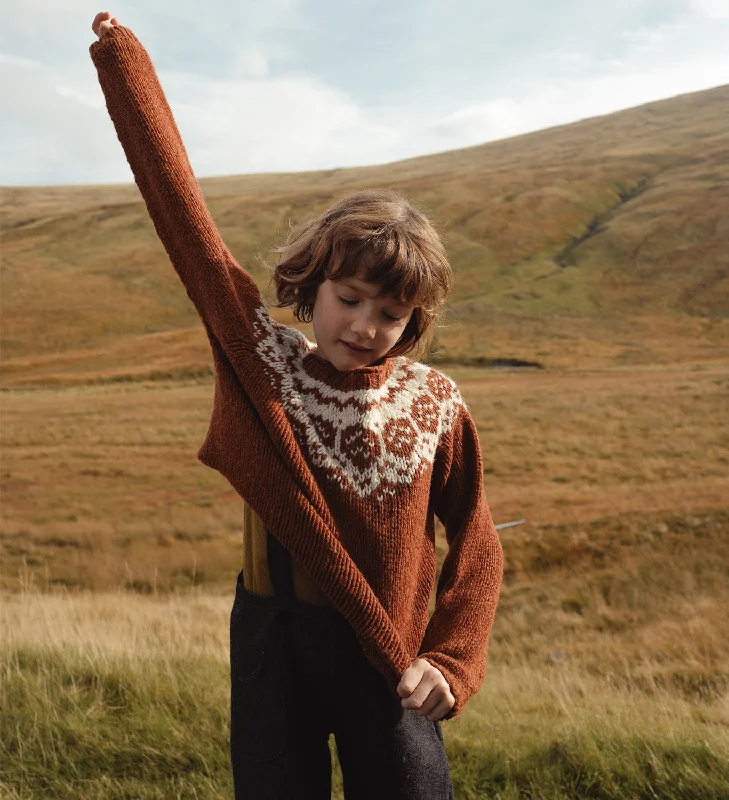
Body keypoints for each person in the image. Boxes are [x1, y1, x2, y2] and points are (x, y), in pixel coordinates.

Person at [90, 11, 504, 800]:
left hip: (388, 650)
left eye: (391, 315)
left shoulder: (435, 401)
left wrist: (454, 662)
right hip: (271, 638)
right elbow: (189, 228)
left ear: (412, 322)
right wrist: (124, 63)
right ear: (310, 285)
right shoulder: (264, 368)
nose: (366, 326)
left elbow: (478, 542)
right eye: (349, 299)